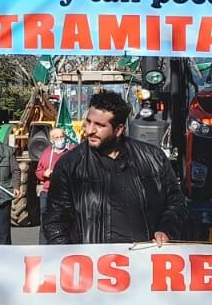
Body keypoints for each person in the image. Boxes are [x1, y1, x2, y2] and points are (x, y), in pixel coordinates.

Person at [42, 90, 188, 245]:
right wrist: (70, 260)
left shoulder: (154, 159)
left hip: (143, 263)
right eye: (88, 122)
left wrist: (166, 229)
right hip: (93, 265)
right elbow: (55, 221)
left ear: (118, 130)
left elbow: (176, 202)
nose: (89, 130)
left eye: (99, 125)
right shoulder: (69, 165)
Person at [35, 126, 71, 213]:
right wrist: (44, 173)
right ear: (52, 140)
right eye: (57, 138)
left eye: (62, 137)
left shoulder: (72, 151)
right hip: (49, 191)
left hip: (67, 192)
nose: (60, 140)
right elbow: (38, 171)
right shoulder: (46, 153)